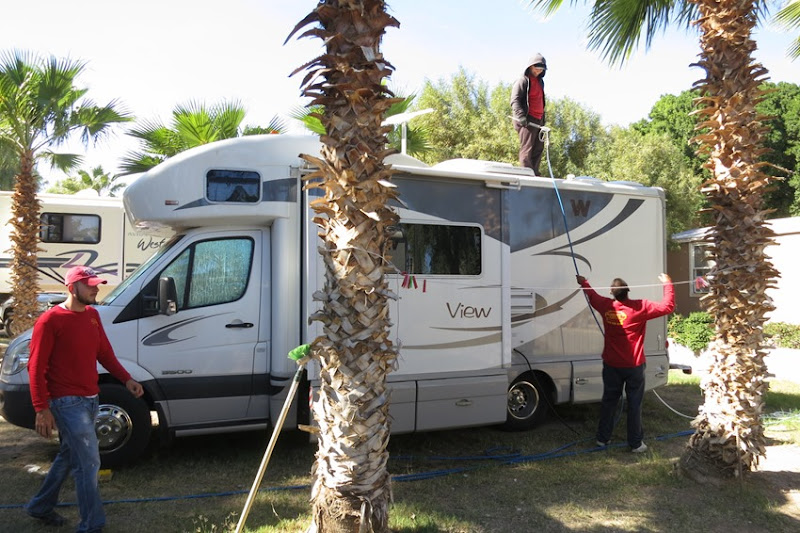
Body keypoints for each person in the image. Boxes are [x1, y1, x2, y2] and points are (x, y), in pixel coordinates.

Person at [25, 266, 144, 532]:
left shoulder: (92, 315)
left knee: (69, 456)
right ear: (72, 288)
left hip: (91, 399)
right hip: (66, 402)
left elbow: (105, 353)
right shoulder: (50, 321)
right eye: (90, 285)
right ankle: (92, 524)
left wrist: (127, 379)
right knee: (89, 462)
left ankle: (40, 506)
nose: (96, 288)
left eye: (96, 284)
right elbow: (35, 367)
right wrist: (41, 408)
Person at [576, 273, 675, 453]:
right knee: (634, 404)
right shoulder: (640, 307)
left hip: (611, 365)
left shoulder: (606, 305)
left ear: (612, 293)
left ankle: (602, 439)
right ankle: (636, 444)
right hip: (633, 366)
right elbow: (668, 307)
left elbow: (592, 296)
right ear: (628, 291)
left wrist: (584, 282)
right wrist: (667, 283)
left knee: (609, 402)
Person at [511, 53, 547, 175]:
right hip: (527, 119)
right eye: (537, 68)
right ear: (531, 66)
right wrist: (521, 116)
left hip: (539, 120)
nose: (538, 71)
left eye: (541, 69)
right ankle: (527, 173)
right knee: (527, 148)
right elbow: (515, 100)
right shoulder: (522, 80)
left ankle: (534, 173)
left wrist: (543, 120)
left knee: (538, 148)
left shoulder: (540, 82)